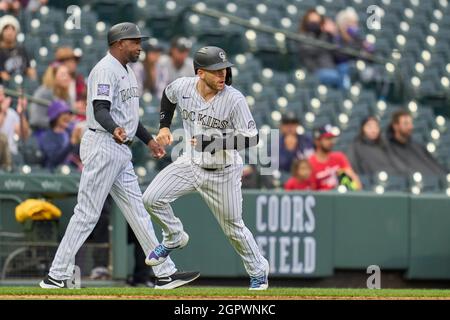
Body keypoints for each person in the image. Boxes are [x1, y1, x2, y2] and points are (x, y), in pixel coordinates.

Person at [39, 22, 199, 289]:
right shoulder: (104, 69)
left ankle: (164, 273)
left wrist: (148, 141)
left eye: (139, 41)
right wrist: (115, 129)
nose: (139, 46)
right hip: (103, 144)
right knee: (87, 213)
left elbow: (130, 118)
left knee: (138, 212)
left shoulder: (127, 71)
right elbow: (101, 110)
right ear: (118, 43)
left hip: (119, 150)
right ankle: (56, 274)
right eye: (134, 41)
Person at [143, 46, 270, 290]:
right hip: (191, 163)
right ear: (200, 73)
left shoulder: (234, 99)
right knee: (151, 198)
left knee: (233, 228)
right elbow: (168, 97)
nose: (222, 75)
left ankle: (258, 271)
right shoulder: (183, 86)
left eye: (224, 69)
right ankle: (174, 236)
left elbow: (252, 138)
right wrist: (164, 126)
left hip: (224, 171)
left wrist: (214, 143)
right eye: (216, 71)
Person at [298, 9, 348, 89]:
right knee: (340, 78)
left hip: (332, 69)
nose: (315, 24)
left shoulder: (326, 36)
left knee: (344, 67)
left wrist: (334, 34)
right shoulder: (303, 36)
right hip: (316, 70)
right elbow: (310, 51)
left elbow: (339, 54)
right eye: (312, 21)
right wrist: (323, 37)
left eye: (317, 21)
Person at [387, 110, 447, 176]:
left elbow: (434, 165)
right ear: (396, 126)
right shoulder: (389, 148)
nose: (410, 127)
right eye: (406, 124)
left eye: (411, 123)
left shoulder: (417, 146)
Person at [309, 124, 362, 191]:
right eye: (327, 139)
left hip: (341, 198)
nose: (331, 142)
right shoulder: (310, 163)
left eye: (332, 138)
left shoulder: (339, 157)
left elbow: (357, 185)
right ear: (317, 141)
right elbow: (312, 192)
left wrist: (349, 182)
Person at [28, 63, 72, 135]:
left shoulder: (66, 95)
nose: (67, 77)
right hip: (42, 134)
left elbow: (69, 118)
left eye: (68, 74)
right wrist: (56, 123)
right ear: (53, 76)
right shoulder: (43, 93)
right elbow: (35, 119)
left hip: (62, 133)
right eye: (63, 74)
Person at [38, 100, 81, 170]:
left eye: (68, 113)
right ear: (55, 117)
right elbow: (54, 159)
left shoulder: (70, 132)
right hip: (54, 176)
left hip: (72, 173)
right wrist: (71, 143)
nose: (67, 116)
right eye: (64, 113)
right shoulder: (46, 136)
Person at [0, 15, 37, 83]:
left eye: (12, 29)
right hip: (6, 87)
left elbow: (29, 69)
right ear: (1, 32)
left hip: (23, 84)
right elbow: (3, 74)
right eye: (6, 29)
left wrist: (32, 81)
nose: (10, 32)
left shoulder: (21, 49)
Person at [0, 85, 30, 157]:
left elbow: (24, 135)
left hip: (12, 154)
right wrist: (3, 113)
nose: (2, 98)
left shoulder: (11, 113)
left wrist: (21, 114)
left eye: (3, 94)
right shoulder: (5, 111)